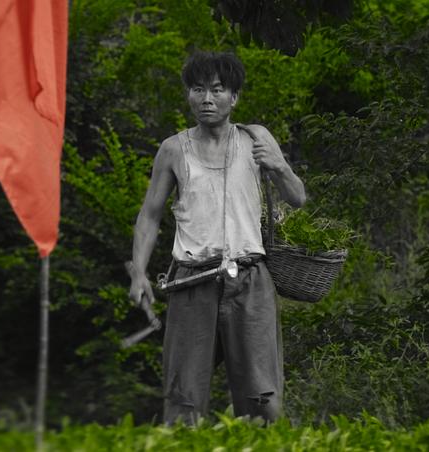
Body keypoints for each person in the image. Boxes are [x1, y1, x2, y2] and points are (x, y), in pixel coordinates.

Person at [128, 50, 306, 425]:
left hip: (250, 279)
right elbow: (150, 215)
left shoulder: (256, 138)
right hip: (192, 281)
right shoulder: (173, 149)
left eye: (217, 89)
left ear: (234, 97)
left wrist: (278, 165)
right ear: (189, 95)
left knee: (263, 397)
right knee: (183, 396)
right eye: (198, 90)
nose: (207, 99)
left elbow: (297, 197)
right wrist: (139, 273)